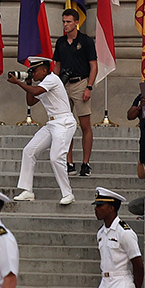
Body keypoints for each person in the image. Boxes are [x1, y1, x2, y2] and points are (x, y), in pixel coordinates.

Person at [7, 55, 76, 205]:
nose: (33, 73)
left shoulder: (52, 79)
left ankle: (68, 193)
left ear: (44, 70)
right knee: (29, 150)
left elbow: (36, 92)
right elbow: (31, 101)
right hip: (52, 124)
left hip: (64, 122)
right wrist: (28, 82)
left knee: (56, 157)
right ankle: (27, 190)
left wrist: (18, 83)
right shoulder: (44, 83)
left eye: (35, 71)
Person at [52, 9, 97, 174]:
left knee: (85, 124)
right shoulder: (61, 42)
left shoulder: (85, 41)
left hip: (80, 83)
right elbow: (57, 65)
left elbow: (94, 65)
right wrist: (53, 85)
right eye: (64, 21)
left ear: (77, 22)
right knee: (65, 125)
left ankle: (86, 162)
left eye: (68, 21)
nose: (65, 25)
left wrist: (89, 87)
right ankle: (69, 162)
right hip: (64, 85)